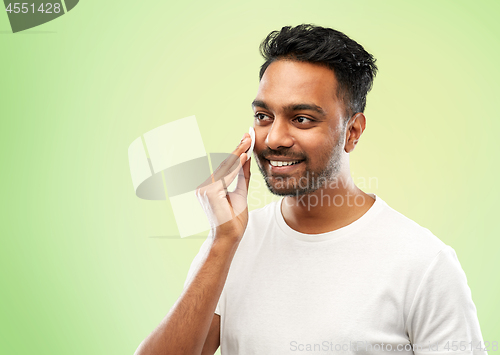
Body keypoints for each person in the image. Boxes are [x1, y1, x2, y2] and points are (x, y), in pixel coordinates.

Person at [135, 24, 486, 355]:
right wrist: (221, 241)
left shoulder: (424, 263)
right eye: (263, 116)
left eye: (302, 119)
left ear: (353, 132)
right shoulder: (231, 244)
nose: (274, 138)